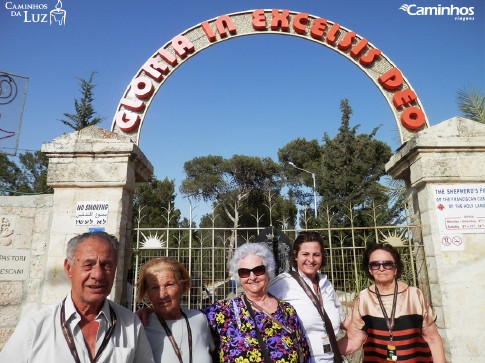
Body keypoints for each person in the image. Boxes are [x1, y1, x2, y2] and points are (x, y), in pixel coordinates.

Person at [0, 231, 154, 363]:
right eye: (88, 264)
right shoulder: (35, 327)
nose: (98, 275)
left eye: (106, 265)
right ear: (68, 268)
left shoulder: (130, 324)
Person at [338, 243, 445, 362]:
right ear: (370, 269)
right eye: (375, 264)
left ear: (395, 268)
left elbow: (432, 339)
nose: (381, 268)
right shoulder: (364, 298)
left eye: (387, 264)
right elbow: (354, 339)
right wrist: (322, 351)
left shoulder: (414, 295)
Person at [204, 242, 311, 363]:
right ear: (238, 277)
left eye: (258, 270)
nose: (252, 277)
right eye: (244, 272)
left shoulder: (287, 311)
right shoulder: (222, 312)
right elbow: (187, 321)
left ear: (268, 272)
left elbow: (305, 354)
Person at [268, 231, 345, 363]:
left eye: (316, 255)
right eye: (305, 254)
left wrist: (362, 329)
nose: (311, 259)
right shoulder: (282, 284)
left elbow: (342, 319)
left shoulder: (326, 284)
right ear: (295, 255)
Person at [136, 257, 214, 363]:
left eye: (169, 285)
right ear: (148, 293)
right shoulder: (141, 328)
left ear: (181, 285)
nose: (162, 295)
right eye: (155, 288)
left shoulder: (200, 319)